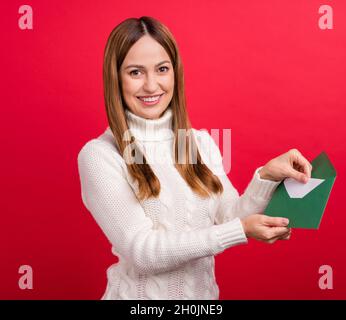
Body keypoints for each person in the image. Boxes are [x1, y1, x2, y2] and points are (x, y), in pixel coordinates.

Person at [77, 16, 312, 300]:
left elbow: (230, 216)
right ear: (116, 77)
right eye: (136, 72)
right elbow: (143, 252)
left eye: (162, 69)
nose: (152, 85)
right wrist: (239, 230)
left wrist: (266, 177)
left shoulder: (195, 143)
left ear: (175, 72)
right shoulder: (101, 155)